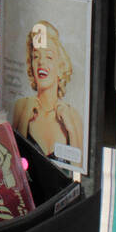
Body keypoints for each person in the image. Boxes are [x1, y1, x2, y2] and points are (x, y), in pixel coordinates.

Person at [11, 21, 84, 163]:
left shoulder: (72, 115)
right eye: (36, 56)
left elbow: (79, 168)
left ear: (60, 65)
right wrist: (24, 118)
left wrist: (70, 129)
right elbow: (13, 161)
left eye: (49, 57)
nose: (41, 63)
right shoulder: (21, 106)